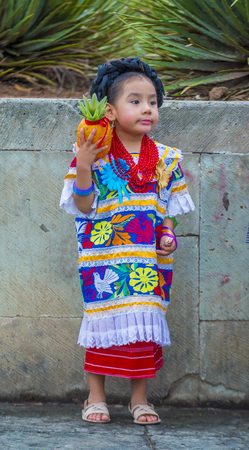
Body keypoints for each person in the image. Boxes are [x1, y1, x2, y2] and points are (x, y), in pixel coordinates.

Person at [60, 57, 195, 425]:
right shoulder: (95, 152)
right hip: (104, 258)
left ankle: (139, 399)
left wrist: (167, 233)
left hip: (148, 262)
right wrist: (85, 164)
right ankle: (95, 396)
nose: (147, 108)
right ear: (110, 110)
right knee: (102, 324)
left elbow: (166, 208)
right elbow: (83, 205)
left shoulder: (167, 158)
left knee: (144, 325)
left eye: (152, 101)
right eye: (135, 101)